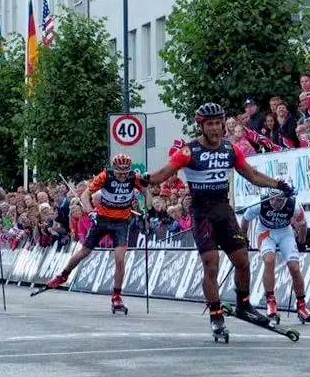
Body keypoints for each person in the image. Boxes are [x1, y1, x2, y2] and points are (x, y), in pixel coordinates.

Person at [144, 102, 295, 338]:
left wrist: (278, 185)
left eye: (218, 123)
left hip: (223, 211)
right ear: (201, 126)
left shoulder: (230, 149)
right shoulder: (188, 151)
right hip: (201, 213)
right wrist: (146, 178)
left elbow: (252, 175)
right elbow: (164, 172)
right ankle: (216, 315)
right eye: (210, 124)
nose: (216, 128)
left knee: (242, 260)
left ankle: (244, 304)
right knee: (211, 264)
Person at [45, 153, 147, 314]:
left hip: (121, 222)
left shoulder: (134, 177)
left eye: (125, 171)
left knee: (120, 259)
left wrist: (145, 197)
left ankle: (117, 296)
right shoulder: (106, 175)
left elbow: (147, 194)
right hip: (102, 219)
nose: (122, 175)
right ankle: (63, 275)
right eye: (119, 171)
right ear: (114, 169)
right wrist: (90, 211)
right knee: (84, 251)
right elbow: (85, 194)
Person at [240, 186, 310, 325]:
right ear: (270, 196)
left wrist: (301, 242)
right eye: (274, 200)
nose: (277, 203)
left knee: (294, 267)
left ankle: (302, 306)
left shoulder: (294, 205)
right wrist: (243, 239)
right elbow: (245, 220)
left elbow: (303, 225)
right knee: (269, 260)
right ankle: (271, 302)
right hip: (265, 232)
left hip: (285, 233)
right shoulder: (259, 203)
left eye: (281, 200)